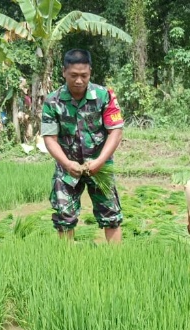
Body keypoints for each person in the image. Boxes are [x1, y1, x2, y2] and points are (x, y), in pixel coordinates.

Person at [41, 48, 124, 243]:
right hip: (67, 166)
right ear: (64, 72)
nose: (79, 81)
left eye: (84, 76)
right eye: (74, 76)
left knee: (111, 215)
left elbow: (116, 132)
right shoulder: (52, 101)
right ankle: (67, 263)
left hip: (100, 165)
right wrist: (67, 164)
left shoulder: (104, 96)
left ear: (90, 73)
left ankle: (117, 261)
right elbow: (50, 138)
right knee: (63, 216)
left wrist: (100, 161)